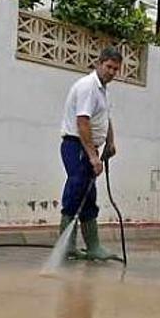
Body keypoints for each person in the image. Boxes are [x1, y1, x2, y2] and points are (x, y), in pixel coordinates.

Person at [58, 46, 122, 261]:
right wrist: (93, 157)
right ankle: (66, 246)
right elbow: (82, 122)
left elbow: (105, 118)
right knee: (77, 190)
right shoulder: (88, 87)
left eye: (116, 69)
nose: (112, 72)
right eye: (109, 67)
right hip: (76, 146)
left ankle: (93, 247)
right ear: (99, 63)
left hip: (88, 147)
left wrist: (110, 142)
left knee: (88, 196)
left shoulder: (102, 90)